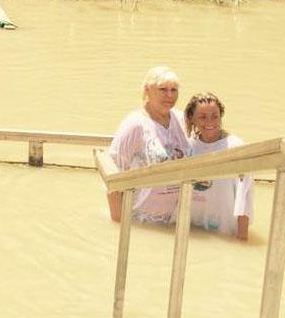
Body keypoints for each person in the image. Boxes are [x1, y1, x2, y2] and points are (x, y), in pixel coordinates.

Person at [107, 66, 189, 225]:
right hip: (140, 221)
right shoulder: (135, 125)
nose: (169, 95)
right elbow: (113, 176)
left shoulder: (181, 120)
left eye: (174, 90)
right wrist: (118, 224)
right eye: (163, 89)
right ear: (147, 90)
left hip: (176, 220)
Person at [185, 93, 253, 240]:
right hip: (193, 231)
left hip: (225, 231)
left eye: (215, 116)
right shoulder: (188, 147)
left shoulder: (236, 147)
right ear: (192, 118)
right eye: (202, 116)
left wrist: (242, 237)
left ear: (221, 116)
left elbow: (245, 196)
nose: (209, 121)